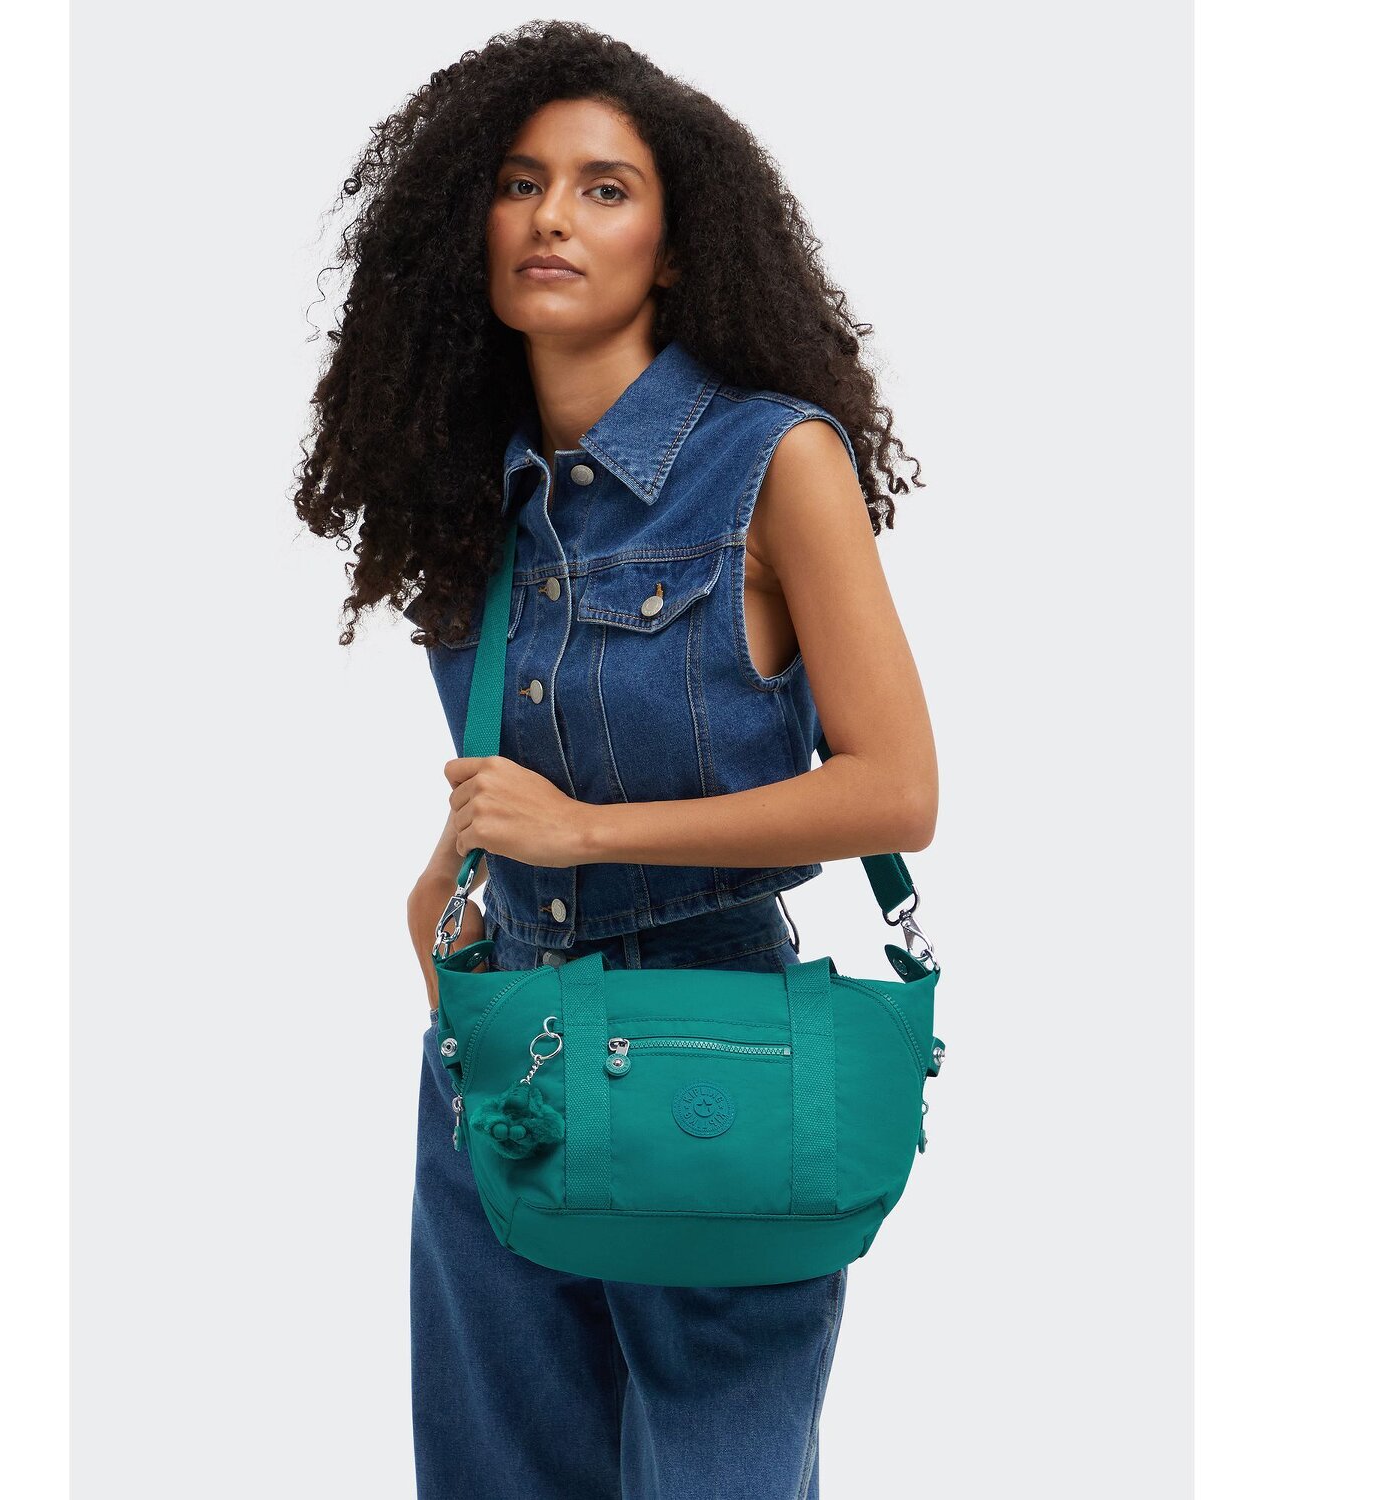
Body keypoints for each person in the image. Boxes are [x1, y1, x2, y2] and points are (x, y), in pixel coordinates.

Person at [293, 21, 937, 1498]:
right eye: (519, 184)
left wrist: (582, 834)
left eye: (603, 188)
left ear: (675, 241)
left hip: (716, 1050)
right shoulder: (467, 492)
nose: (552, 218)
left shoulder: (776, 461)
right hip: (504, 1047)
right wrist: (447, 897)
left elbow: (897, 790)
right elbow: (504, 774)